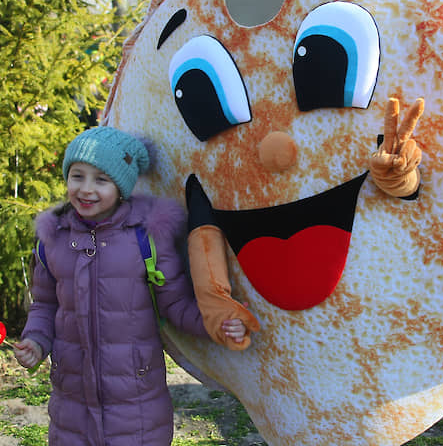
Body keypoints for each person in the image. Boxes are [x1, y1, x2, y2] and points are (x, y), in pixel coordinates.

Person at [14, 126, 259, 445]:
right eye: (77, 175)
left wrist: (220, 325)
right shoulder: (53, 240)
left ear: (121, 186)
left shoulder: (146, 239)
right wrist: (35, 340)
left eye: (101, 179)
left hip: (137, 407)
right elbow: (45, 305)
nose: (86, 189)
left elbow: (175, 305)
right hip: (71, 407)